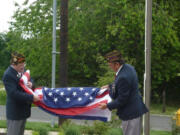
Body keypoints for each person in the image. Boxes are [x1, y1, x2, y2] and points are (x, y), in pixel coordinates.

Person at [99, 50, 148, 135]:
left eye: (110, 65)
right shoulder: (128, 68)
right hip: (135, 110)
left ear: (117, 64)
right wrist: (109, 86)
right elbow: (120, 85)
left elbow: (122, 99)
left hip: (130, 114)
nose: (109, 67)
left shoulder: (123, 77)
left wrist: (107, 106)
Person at [2, 52, 40, 135]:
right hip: (15, 113)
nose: (23, 66)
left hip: (23, 111)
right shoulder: (8, 75)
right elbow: (14, 93)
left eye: (24, 63)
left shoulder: (22, 70)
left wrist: (31, 84)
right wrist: (31, 97)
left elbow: (30, 78)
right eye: (20, 64)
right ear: (13, 64)